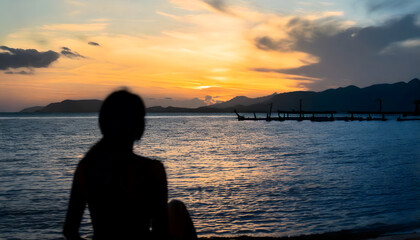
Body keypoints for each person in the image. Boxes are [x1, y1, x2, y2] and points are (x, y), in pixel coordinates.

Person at [63, 90, 197, 240]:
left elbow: (69, 231)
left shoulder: (85, 168)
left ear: (103, 124)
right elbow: (161, 230)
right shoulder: (152, 170)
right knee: (177, 207)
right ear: (139, 128)